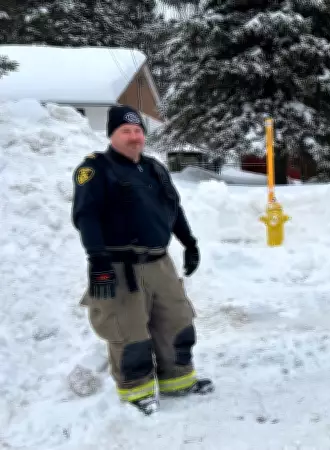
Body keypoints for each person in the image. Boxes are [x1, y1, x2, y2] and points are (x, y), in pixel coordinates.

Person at [71, 105, 213, 416]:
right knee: (128, 331)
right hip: (120, 267)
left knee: (176, 321)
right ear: (112, 135)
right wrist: (98, 260)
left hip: (160, 263)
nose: (134, 137)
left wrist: (189, 243)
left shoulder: (154, 168)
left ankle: (178, 380)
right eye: (126, 131)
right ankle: (137, 392)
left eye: (138, 131)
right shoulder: (95, 170)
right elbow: (86, 217)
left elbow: (174, 209)